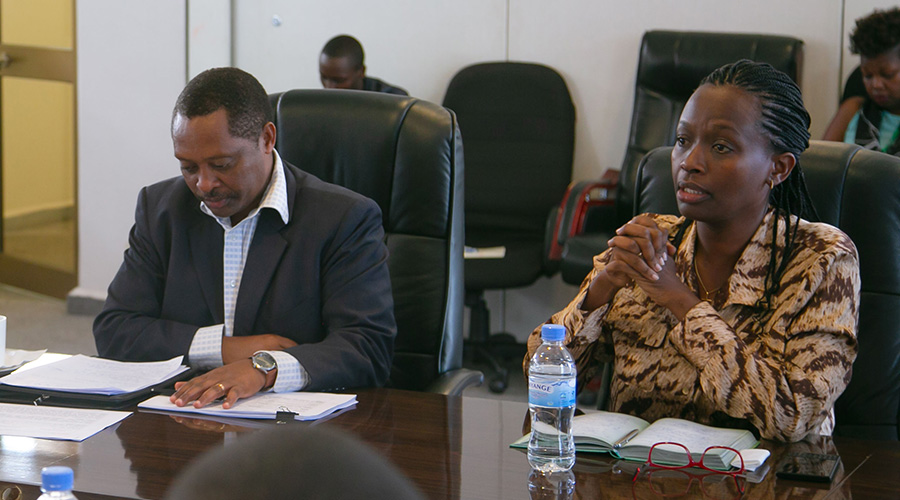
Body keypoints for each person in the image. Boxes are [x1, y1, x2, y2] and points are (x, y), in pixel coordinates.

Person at [526, 60, 860, 443]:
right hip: (637, 479)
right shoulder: (649, 240)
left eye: (721, 146)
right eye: (683, 141)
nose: (690, 162)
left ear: (778, 168)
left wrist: (680, 301)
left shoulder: (821, 258)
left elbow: (792, 417)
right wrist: (600, 290)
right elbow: (540, 379)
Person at [93, 67, 396, 409]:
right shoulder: (162, 210)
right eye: (188, 167)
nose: (204, 184)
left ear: (267, 139)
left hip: (300, 438)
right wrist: (225, 349)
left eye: (221, 164)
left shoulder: (342, 219)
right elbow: (115, 330)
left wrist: (264, 368)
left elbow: (367, 348)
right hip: (185, 420)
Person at [821, 7, 900, 155]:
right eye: (868, 76)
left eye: (888, 75)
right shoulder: (853, 109)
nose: (876, 84)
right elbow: (821, 164)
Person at [319, 34, 408, 95]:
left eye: (339, 80)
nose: (328, 87)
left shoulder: (395, 102)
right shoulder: (319, 105)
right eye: (324, 78)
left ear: (361, 71)